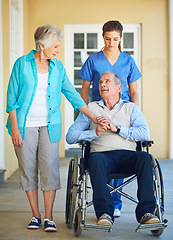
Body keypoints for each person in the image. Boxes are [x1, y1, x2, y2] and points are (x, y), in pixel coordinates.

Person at [6, 24, 97, 232]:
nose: (58, 49)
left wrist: (93, 115)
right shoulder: (21, 64)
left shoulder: (58, 67)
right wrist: (15, 129)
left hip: (49, 126)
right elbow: (11, 99)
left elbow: (72, 94)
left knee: (50, 171)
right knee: (28, 171)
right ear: (42, 46)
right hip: (24, 126)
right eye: (55, 46)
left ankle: (48, 218)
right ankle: (35, 216)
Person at [66, 72, 160, 227]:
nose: (102, 84)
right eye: (101, 82)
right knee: (95, 159)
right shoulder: (91, 108)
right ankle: (104, 213)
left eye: (107, 81)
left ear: (119, 88)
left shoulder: (131, 108)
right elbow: (70, 136)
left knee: (145, 158)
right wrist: (94, 132)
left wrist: (118, 129)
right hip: (101, 157)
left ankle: (146, 212)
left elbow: (144, 133)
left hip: (128, 156)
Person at [78, 20, 141, 217]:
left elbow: (133, 92)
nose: (111, 43)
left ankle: (116, 201)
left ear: (121, 38)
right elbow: (85, 90)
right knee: (103, 152)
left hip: (122, 111)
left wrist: (134, 115)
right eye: (107, 39)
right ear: (102, 37)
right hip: (99, 110)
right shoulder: (93, 60)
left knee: (120, 149)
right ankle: (105, 199)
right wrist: (87, 113)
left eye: (115, 39)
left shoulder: (128, 61)